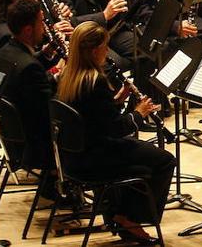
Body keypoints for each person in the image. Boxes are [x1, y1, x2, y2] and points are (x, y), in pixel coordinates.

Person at [55, 22, 174, 241]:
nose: (108, 51)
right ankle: (130, 218)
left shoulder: (68, 76)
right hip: (96, 157)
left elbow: (93, 115)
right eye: (105, 46)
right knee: (164, 161)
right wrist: (139, 113)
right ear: (93, 51)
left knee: (147, 155)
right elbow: (117, 129)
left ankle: (118, 213)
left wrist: (117, 100)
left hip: (73, 156)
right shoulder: (95, 81)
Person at [0, 0, 56, 181]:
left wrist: (45, 55)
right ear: (28, 30)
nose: (44, 28)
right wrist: (64, 76)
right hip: (37, 145)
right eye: (41, 23)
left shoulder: (7, 49)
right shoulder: (30, 68)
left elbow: (26, 69)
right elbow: (49, 109)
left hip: (13, 137)